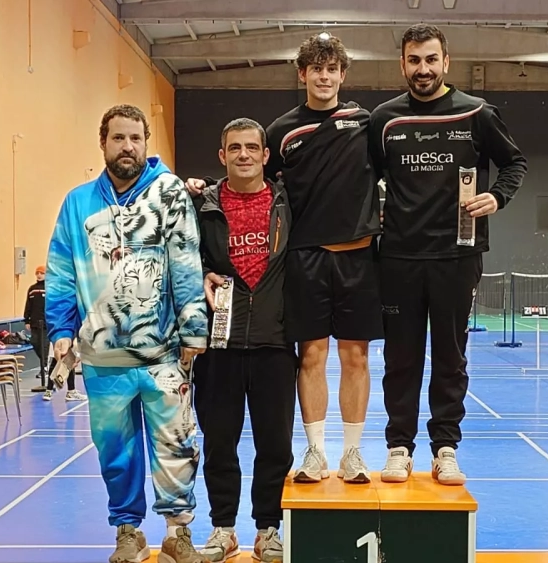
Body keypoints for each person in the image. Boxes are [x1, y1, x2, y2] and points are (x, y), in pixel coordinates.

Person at [185, 32, 382, 485]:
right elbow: (250, 176)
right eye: (316, 69)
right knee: (311, 355)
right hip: (305, 258)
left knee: (356, 357)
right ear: (302, 74)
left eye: (332, 69)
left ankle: (352, 453)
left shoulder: (364, 122)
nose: (324, 77)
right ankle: (315, 452)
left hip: (357, 257)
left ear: (343, 74)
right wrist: (206, 186)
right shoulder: (282, 130)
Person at [45, 104, 210, 563]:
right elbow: (60, 272)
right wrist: (60, 328)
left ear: (146, 142)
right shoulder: (77, 203)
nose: (127, 147)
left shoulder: (169, 193)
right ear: (103, 143)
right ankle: (128, 533)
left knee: (177, 445)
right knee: (115, 453)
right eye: (118, 138)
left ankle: (178, 534)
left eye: (135, 138)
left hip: (165, 356)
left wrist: (194, 330)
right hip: (103, 359)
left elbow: (187, 262)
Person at [368, 24, 528, 485]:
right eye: (414, 60)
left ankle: (445, 448)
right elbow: (363, 178)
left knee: (450, 357)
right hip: (398, 258)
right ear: (402, 64)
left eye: (431, 59)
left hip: (458, 256)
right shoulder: (384, 120)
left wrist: (497, 196)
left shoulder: (477, 113)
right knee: (401, 359)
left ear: (446, 62)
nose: (423, 69)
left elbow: (515, 162)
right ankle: (399, 447)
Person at [192, 118, 296, 562]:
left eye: (252, 147)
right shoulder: (202, 206)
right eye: (234, 148)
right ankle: (224, 529)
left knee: (275, 445)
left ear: (266, 155)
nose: (244, 155)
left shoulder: (288, 203)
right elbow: (182, 255)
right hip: (220, 345)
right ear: (222, 156)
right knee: (219, 442)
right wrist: (202, 272)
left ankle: (268, 529)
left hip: (275, 342)